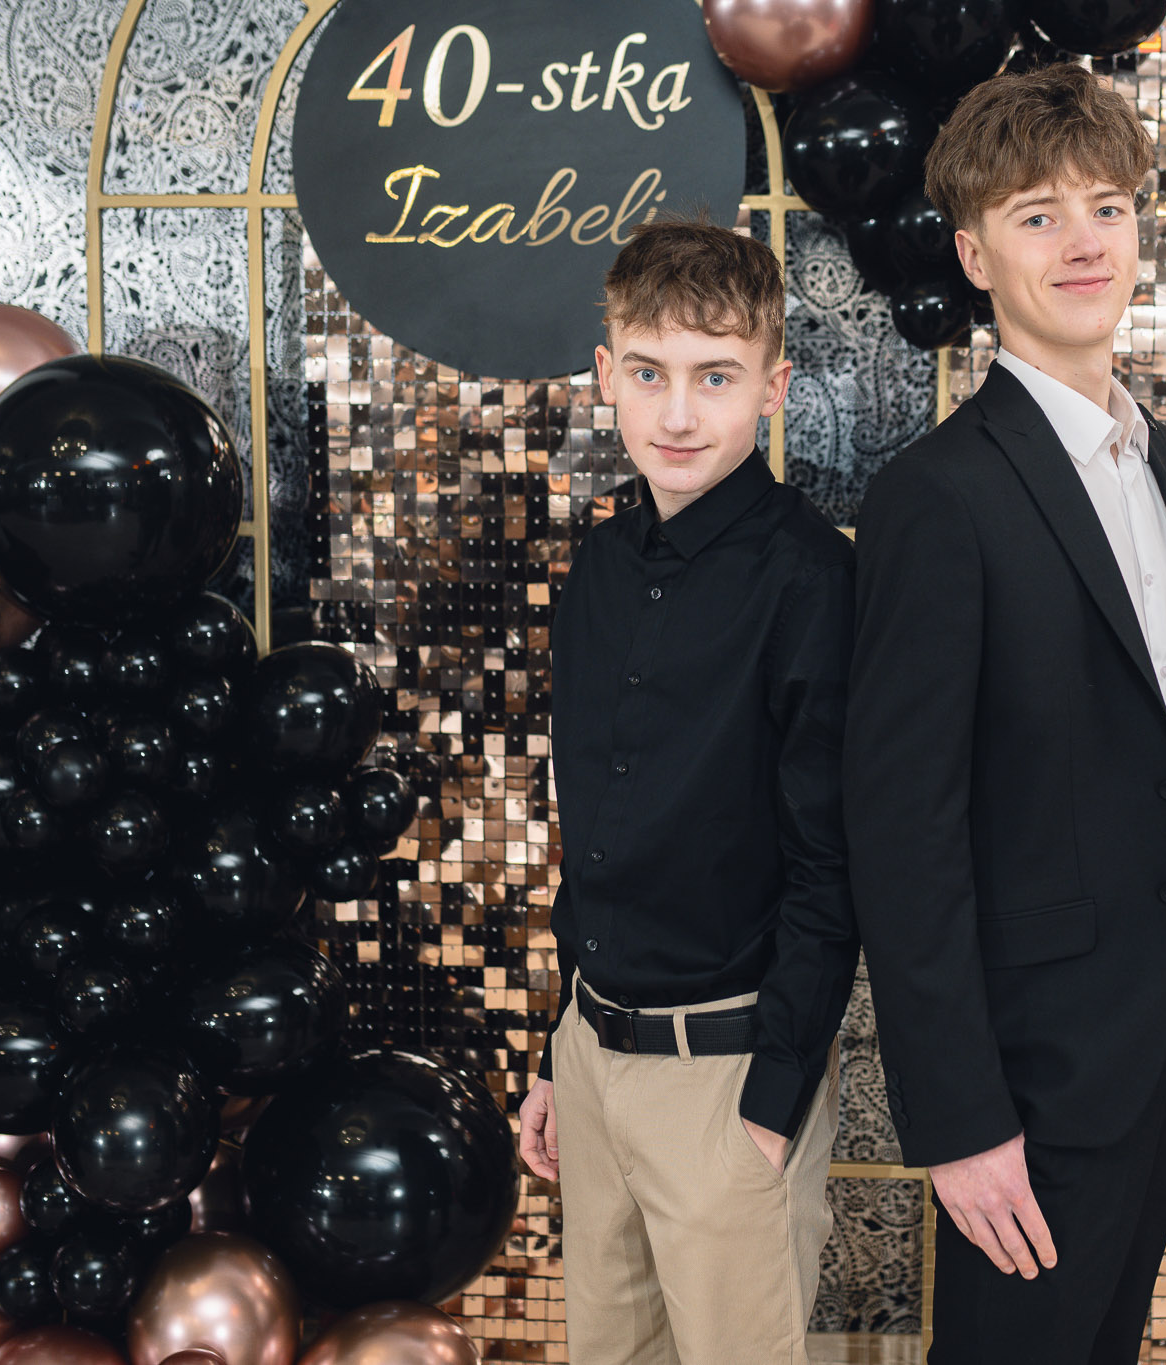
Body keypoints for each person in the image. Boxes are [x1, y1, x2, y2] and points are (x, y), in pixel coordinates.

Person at [843, 63, 1166, 1364]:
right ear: (974, 256)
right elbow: (902, 833)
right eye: (1037, 215)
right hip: (1029, 1079)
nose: (1083, 242)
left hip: (1161, 1035)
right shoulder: (938, 498)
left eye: (1106, 207)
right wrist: (960, 1118)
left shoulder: (1163, 462)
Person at [517, 218, 859, 1365]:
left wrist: (770, 1107)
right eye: (649, 373)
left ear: (772, 387)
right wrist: (563, 1050)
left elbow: (831, 867)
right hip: (592, 1056)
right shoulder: (597, 570)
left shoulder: (813, 581)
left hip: (725, 1075)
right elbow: (597, 836)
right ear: (605, 374)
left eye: (714, 377)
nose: (676, 413)